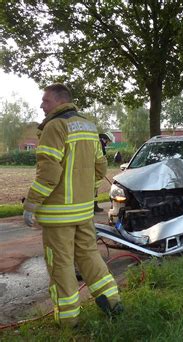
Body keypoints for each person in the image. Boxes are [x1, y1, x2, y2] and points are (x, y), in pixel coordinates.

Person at [22, 83, 123, 327]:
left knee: (61, 264)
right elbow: (100, 167)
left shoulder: (54, 127)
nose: (41, 105)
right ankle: (112, 302)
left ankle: (68, 321)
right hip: (83, 211)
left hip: (58, 215)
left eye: (45, 101)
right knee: (90, 255)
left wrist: (31, 204)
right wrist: (82, 190)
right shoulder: (89, 127)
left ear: (59, 100)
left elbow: (48, 174)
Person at [94, 132, 114, 212]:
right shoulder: (100, 144)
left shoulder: (98, 142)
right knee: (93, 189)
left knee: (94, 189)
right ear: (105, 139)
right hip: (94, 170)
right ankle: (93, 207)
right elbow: (100, 158)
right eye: (109, 141)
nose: (108, 143)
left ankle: (94, 206)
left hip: (95, 169)